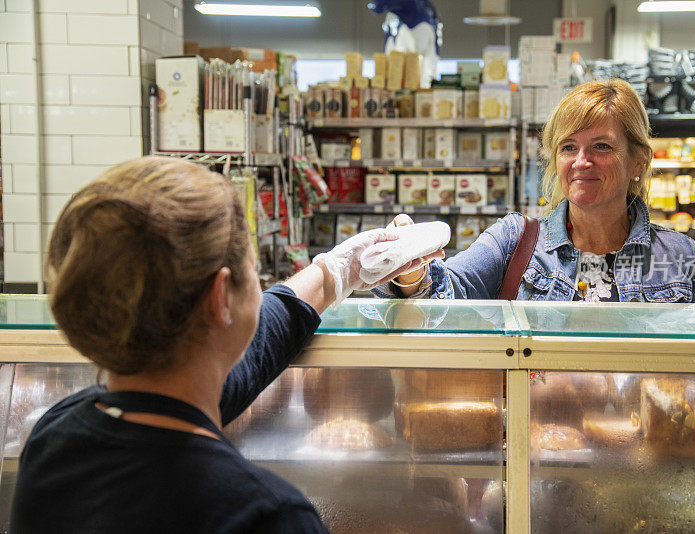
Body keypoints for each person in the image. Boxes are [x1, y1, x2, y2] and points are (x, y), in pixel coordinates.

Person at [9, 156, 436, 533]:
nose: (262, 287)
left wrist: (336, 273)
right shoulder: (266, 516)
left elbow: (235, 364)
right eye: (254, 271)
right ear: (220, 298)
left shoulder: (53, 439)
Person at [375, 79, 695, 303]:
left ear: (638, 161)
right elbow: (446, 290)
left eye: (602, 146)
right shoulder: (515, 241)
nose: (582, 161)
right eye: (568, 147)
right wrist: (411, 269)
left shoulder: (682, 257)